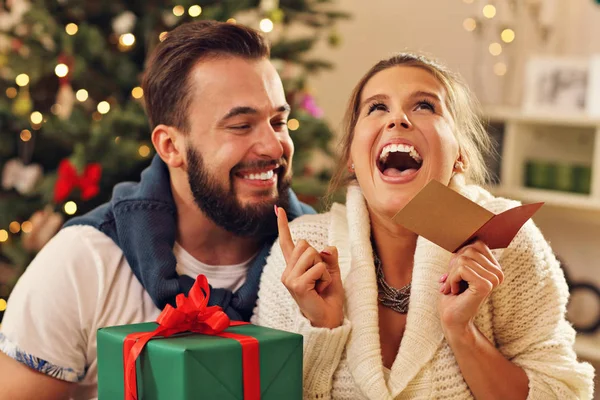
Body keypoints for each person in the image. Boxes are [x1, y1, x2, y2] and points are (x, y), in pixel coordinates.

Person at [0, 20, 314, 400]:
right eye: (241, 125)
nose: (273, 146)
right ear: (169, 146)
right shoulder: (84, 262)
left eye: (278, 121)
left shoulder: (327, 253)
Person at [252, 53, 595, 399]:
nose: (397, 119)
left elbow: (564, 392)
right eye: (376, 108)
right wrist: (322, 328)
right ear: (351, 158)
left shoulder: (507, 244)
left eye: (425, 106)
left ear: (459, 153)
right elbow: (260, 391)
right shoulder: (301, 252)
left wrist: (462, 333)